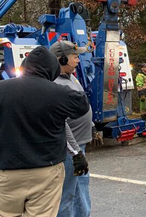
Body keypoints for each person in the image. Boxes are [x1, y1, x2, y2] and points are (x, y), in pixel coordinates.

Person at [0, 46, 90, 217]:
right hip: (46, 171)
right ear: (53, 69)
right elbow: (81, 105)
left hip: (6, 171)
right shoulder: (58, 92)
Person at [50, 41, 98, 217]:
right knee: (67, 193)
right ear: (61, 59)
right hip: (69, 149)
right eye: (75, 56)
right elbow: (59, 121)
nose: (78, 60)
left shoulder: (72, 77)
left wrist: (91, 126)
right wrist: (75, 152)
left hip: (79, 146)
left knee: (81, 187)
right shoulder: (54, 84)